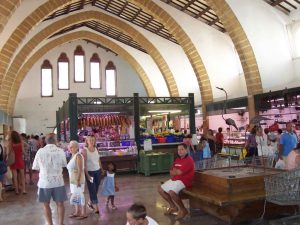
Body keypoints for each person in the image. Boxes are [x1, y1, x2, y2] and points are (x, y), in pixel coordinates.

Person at [32, 133, 67, 225]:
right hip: (58, 181)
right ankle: (61, 223)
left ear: (45, 141)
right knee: (60, 204)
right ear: (56, 141)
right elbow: (64, 164)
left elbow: (35, 166)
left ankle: (50, 223)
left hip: (45, 182)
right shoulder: (60, 151)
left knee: (46, 205)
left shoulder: (40, 151)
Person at [158, 143, 194, 220]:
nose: (180, 151)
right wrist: (175, 172)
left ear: (186, 150)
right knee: (160, 189)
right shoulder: (177, 159)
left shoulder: (189, 160)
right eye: (178, 150)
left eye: (182, 149)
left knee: (172, 192)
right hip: (175, 179)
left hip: (184, 181)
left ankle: (183, 210)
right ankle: (173, 206)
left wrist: (176, 172)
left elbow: (179, 172)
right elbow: (171, 171)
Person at [67, 140, 87, 220]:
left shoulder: (78, 156)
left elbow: (80, 169)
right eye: (70, 146)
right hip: (73, 180)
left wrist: (78, 180)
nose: (70, 148)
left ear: (77, 147)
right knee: (75, 195)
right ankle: (77, 211)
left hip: (77, 180)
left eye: (72, 147)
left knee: (80, 195)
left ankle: (83, 213)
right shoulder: (73, 155)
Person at [82, 135, 102, 214]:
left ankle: (90, 202)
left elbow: (98, 160)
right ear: (87, 141)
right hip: (90, 172)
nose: (91, 141)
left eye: (93, 140)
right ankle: (96, 207)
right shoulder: (85, 150)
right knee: (92, 189)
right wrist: (87, 175)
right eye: (90, 140)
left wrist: (101, 169)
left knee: (96, 189)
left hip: (98, 171)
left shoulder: (96, 149)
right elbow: (84, 164)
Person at [8, 130, 26, 195]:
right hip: (20, 159)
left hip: (13, 161)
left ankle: (17, 190)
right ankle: (24, 190)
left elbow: (9, 152)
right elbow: (23, 151)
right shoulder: (21, 142)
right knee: (22, 176)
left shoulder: (10, 143)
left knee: (14, 177)